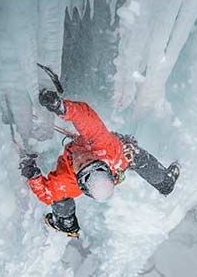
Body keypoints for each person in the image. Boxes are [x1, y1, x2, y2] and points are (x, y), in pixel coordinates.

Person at [20, 84, 179, 238]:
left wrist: (33, 175)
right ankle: (163, 180)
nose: (81, 157)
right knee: (129, 151)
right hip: (115, 156)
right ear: (97, 158)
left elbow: (47, 194)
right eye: (89, 159)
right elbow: (86, 118)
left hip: (111, 169)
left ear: (76, 177)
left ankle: (164, 182)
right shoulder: (103, 145)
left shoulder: (66, 183)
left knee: (61, 197)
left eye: (81, 164)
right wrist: (62, 108)